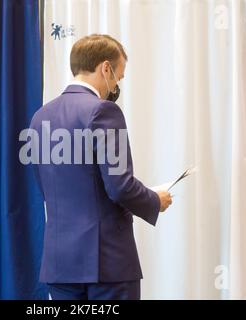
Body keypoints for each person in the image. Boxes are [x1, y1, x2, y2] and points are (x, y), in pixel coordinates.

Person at [29, 34, 172, 300]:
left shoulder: (39, 118)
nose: (116, 85)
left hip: (59, 264)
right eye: (119, 76)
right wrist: (154, 200)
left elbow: (46, 186)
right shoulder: (104, 111)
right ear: (105, 68)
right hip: (106, 263)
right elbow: (120, 187)